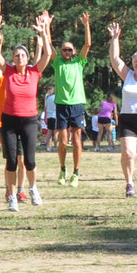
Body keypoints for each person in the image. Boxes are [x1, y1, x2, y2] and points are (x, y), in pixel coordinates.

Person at [0, 10, 52, 212]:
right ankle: (11, 196)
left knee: (30, 159)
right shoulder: (8, 71)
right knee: (11, 161)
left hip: (29, 120)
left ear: (27, 58)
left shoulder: (35, 72)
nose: (19, 57)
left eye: (23, 55)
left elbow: (48, 54)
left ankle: (33, 188)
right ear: (13, 59)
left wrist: (44, 32)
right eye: (16, 55)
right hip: (9, 120)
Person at [107, 24, 137, 198]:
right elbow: (115, 58)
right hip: (128, 119)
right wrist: (115, 38)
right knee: (128, 152)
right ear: (133, 63)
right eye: (136, 61)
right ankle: (130, 183)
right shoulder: (128, 75)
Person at [48, 15, 93, 186]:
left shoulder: (79, 62)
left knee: (76, 140)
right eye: (65, 49)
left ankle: (76, 172)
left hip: (76, 105)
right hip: (61, 105)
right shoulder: (57, 63)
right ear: (61, 52)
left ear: (74, 52)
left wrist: (86, 25)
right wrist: (47, 28)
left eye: (70, 50)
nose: (67, 52)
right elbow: (48, 46)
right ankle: (62, 169)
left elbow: (87, 45)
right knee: (62, 141)